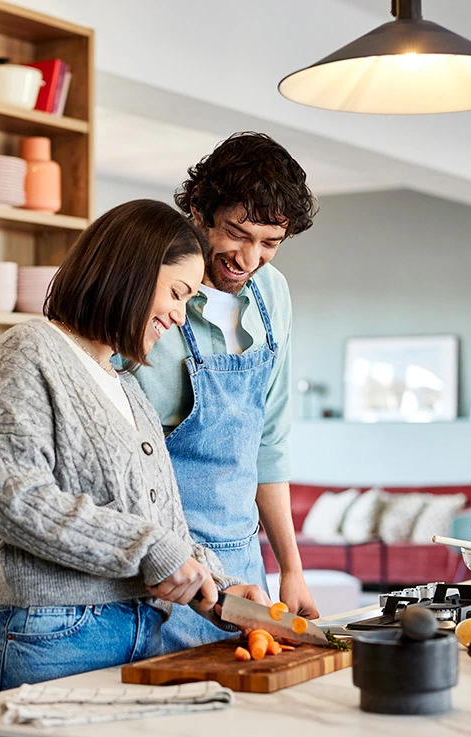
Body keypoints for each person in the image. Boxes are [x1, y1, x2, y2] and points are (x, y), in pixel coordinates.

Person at [0, 199, 268, 697]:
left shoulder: (128, 387)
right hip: (55, 635)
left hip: (144, 632)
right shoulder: (30, 349)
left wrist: (220, 589)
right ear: (132, 271)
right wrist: (151, 550)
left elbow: (161, 525)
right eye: (176, 293)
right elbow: (10, 496)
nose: (178, 315)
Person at [130, 132, 319, 650]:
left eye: (270, 244)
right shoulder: (148, 291)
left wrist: (292, 569)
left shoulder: (271, 292)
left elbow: (269, 443)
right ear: (198, 210)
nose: (249, 258)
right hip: (160, 571)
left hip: (243, 568)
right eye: (237, 233)